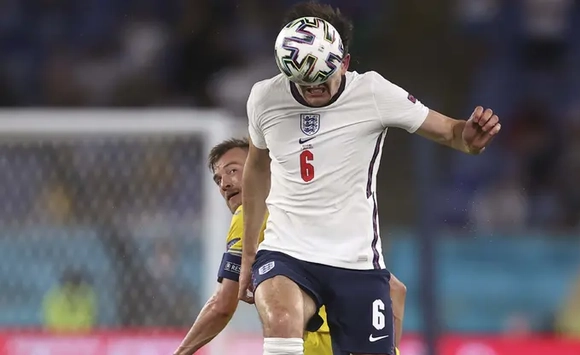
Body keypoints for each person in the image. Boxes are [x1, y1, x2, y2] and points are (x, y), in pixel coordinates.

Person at [238, 2, 502, 355]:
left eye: (322, 81)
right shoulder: (264, 98)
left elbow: (451, 132)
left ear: (344, 63)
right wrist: (250, 252)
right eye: (303, 84)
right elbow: (256, 167)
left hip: (356, 263)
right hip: (288, 251)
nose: (313, 91)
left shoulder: (374, 93)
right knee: (281, 317)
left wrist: (469, 138)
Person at [173, 138, 407, 355]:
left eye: (233, 170)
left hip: (318, 342)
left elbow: (222, 305)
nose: (224, 184)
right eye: (218, 179)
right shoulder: (317, 215)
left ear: (261, 169)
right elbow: (395, 289)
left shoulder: (249, 215)